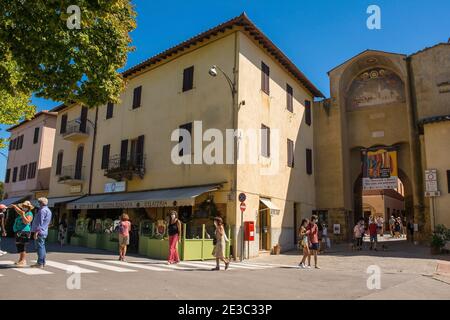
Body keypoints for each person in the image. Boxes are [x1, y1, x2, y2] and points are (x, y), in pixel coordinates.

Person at [30, 198, 52, 268]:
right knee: (42, 247)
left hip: (40, 231)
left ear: (41, 203)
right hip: (44, 231)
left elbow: (39, 222)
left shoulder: (42, 211)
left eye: (39, 203)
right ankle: (43, 262)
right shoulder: (48, 210)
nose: (38, 204)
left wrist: (36, 232)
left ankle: (40, 263)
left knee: (39, 247)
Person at [11, 201, 34, 267]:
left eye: (25, 206)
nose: (24, 207)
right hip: (19, 231)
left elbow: (27, 222)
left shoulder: (29, 213)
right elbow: (19, 211)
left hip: (24, 232)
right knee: (19, 246)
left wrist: (23, 215)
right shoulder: (23, 212)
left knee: (22, 246)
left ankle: (23, 261)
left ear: (28, 207)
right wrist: (15, 207)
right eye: (23, 206)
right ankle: (20, 260)